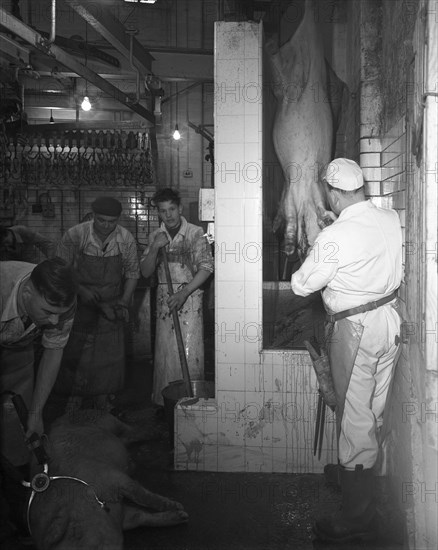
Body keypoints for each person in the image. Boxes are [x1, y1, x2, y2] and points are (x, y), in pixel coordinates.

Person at [290, 158, 402, 543]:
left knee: (354, 418)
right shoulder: (388, 219)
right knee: (373, 410)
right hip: (389, 321)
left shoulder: (334, 235)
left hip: (356, 330)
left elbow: (302, 285)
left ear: (335, 193)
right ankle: (362, 481)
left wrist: (323, 242)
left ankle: (357, 515)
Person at [55, 197, 140, 412]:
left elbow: (132, 273)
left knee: (109, 356)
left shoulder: (125, 238)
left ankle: (103, 398)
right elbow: (60, 270)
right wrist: (81, 290)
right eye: (101, 220)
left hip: (111, 304)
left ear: (117, 220)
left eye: (111, 221)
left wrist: (123, 301)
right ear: (93, 216)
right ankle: (75, 397)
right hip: (80, 303)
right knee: (78, 353)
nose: (106, 225)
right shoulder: (76, 235)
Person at [140, 188, 214, 408]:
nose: (168, 215)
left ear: (179, 208)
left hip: (190, 299)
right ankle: (165, 404)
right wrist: (155, 248)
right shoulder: (155, 236)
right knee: (165, 352)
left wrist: (184, 292)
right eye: (163, 211)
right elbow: (145, 272)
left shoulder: (195, 233)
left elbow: (207, 268)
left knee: (191, 354)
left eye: (171, 209)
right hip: (165, 299)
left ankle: (192, 402)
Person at [0, 258, 77, 438]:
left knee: (18, 421)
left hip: (19, 348)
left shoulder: (64, 299)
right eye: (48, 312)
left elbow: (53, 350)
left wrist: (36, 413)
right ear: (27, 293)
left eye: (60, 314)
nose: (55, 321)